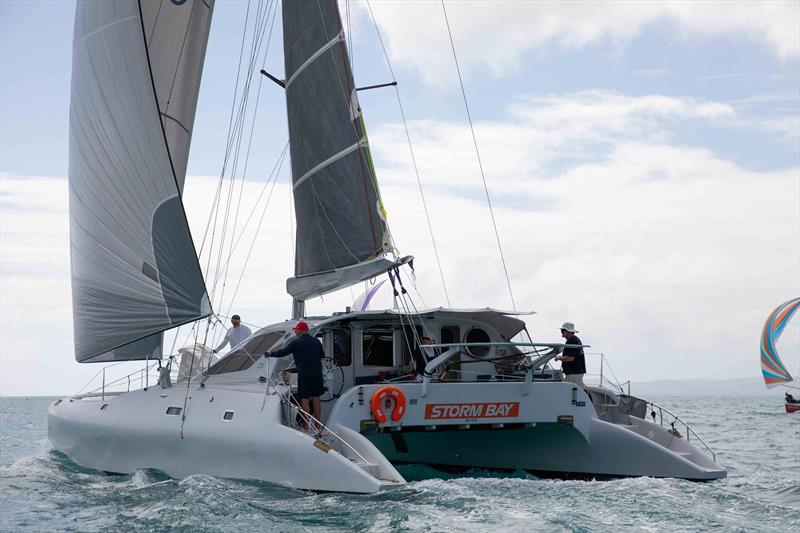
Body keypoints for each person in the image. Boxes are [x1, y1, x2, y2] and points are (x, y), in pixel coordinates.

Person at [264, 321, 324, 432]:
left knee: (305, 399)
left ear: (301, 330)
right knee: (316, 399)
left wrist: (270, 354)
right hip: (317, 374)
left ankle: (306, 427)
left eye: (296, 330)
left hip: (304, 375)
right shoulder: (316, 341)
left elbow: (283, 352)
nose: (295, 332)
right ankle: (318, 427)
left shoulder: (296, 343)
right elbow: (322, 355)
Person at [555, 322, 586, 388]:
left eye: (563, 330)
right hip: (576, 372)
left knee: (571, 393)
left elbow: (570, 358)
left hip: (574, 373)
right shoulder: (575, 340)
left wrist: (559, 358)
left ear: (568, 332)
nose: (561, 332)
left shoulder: (572, 341)